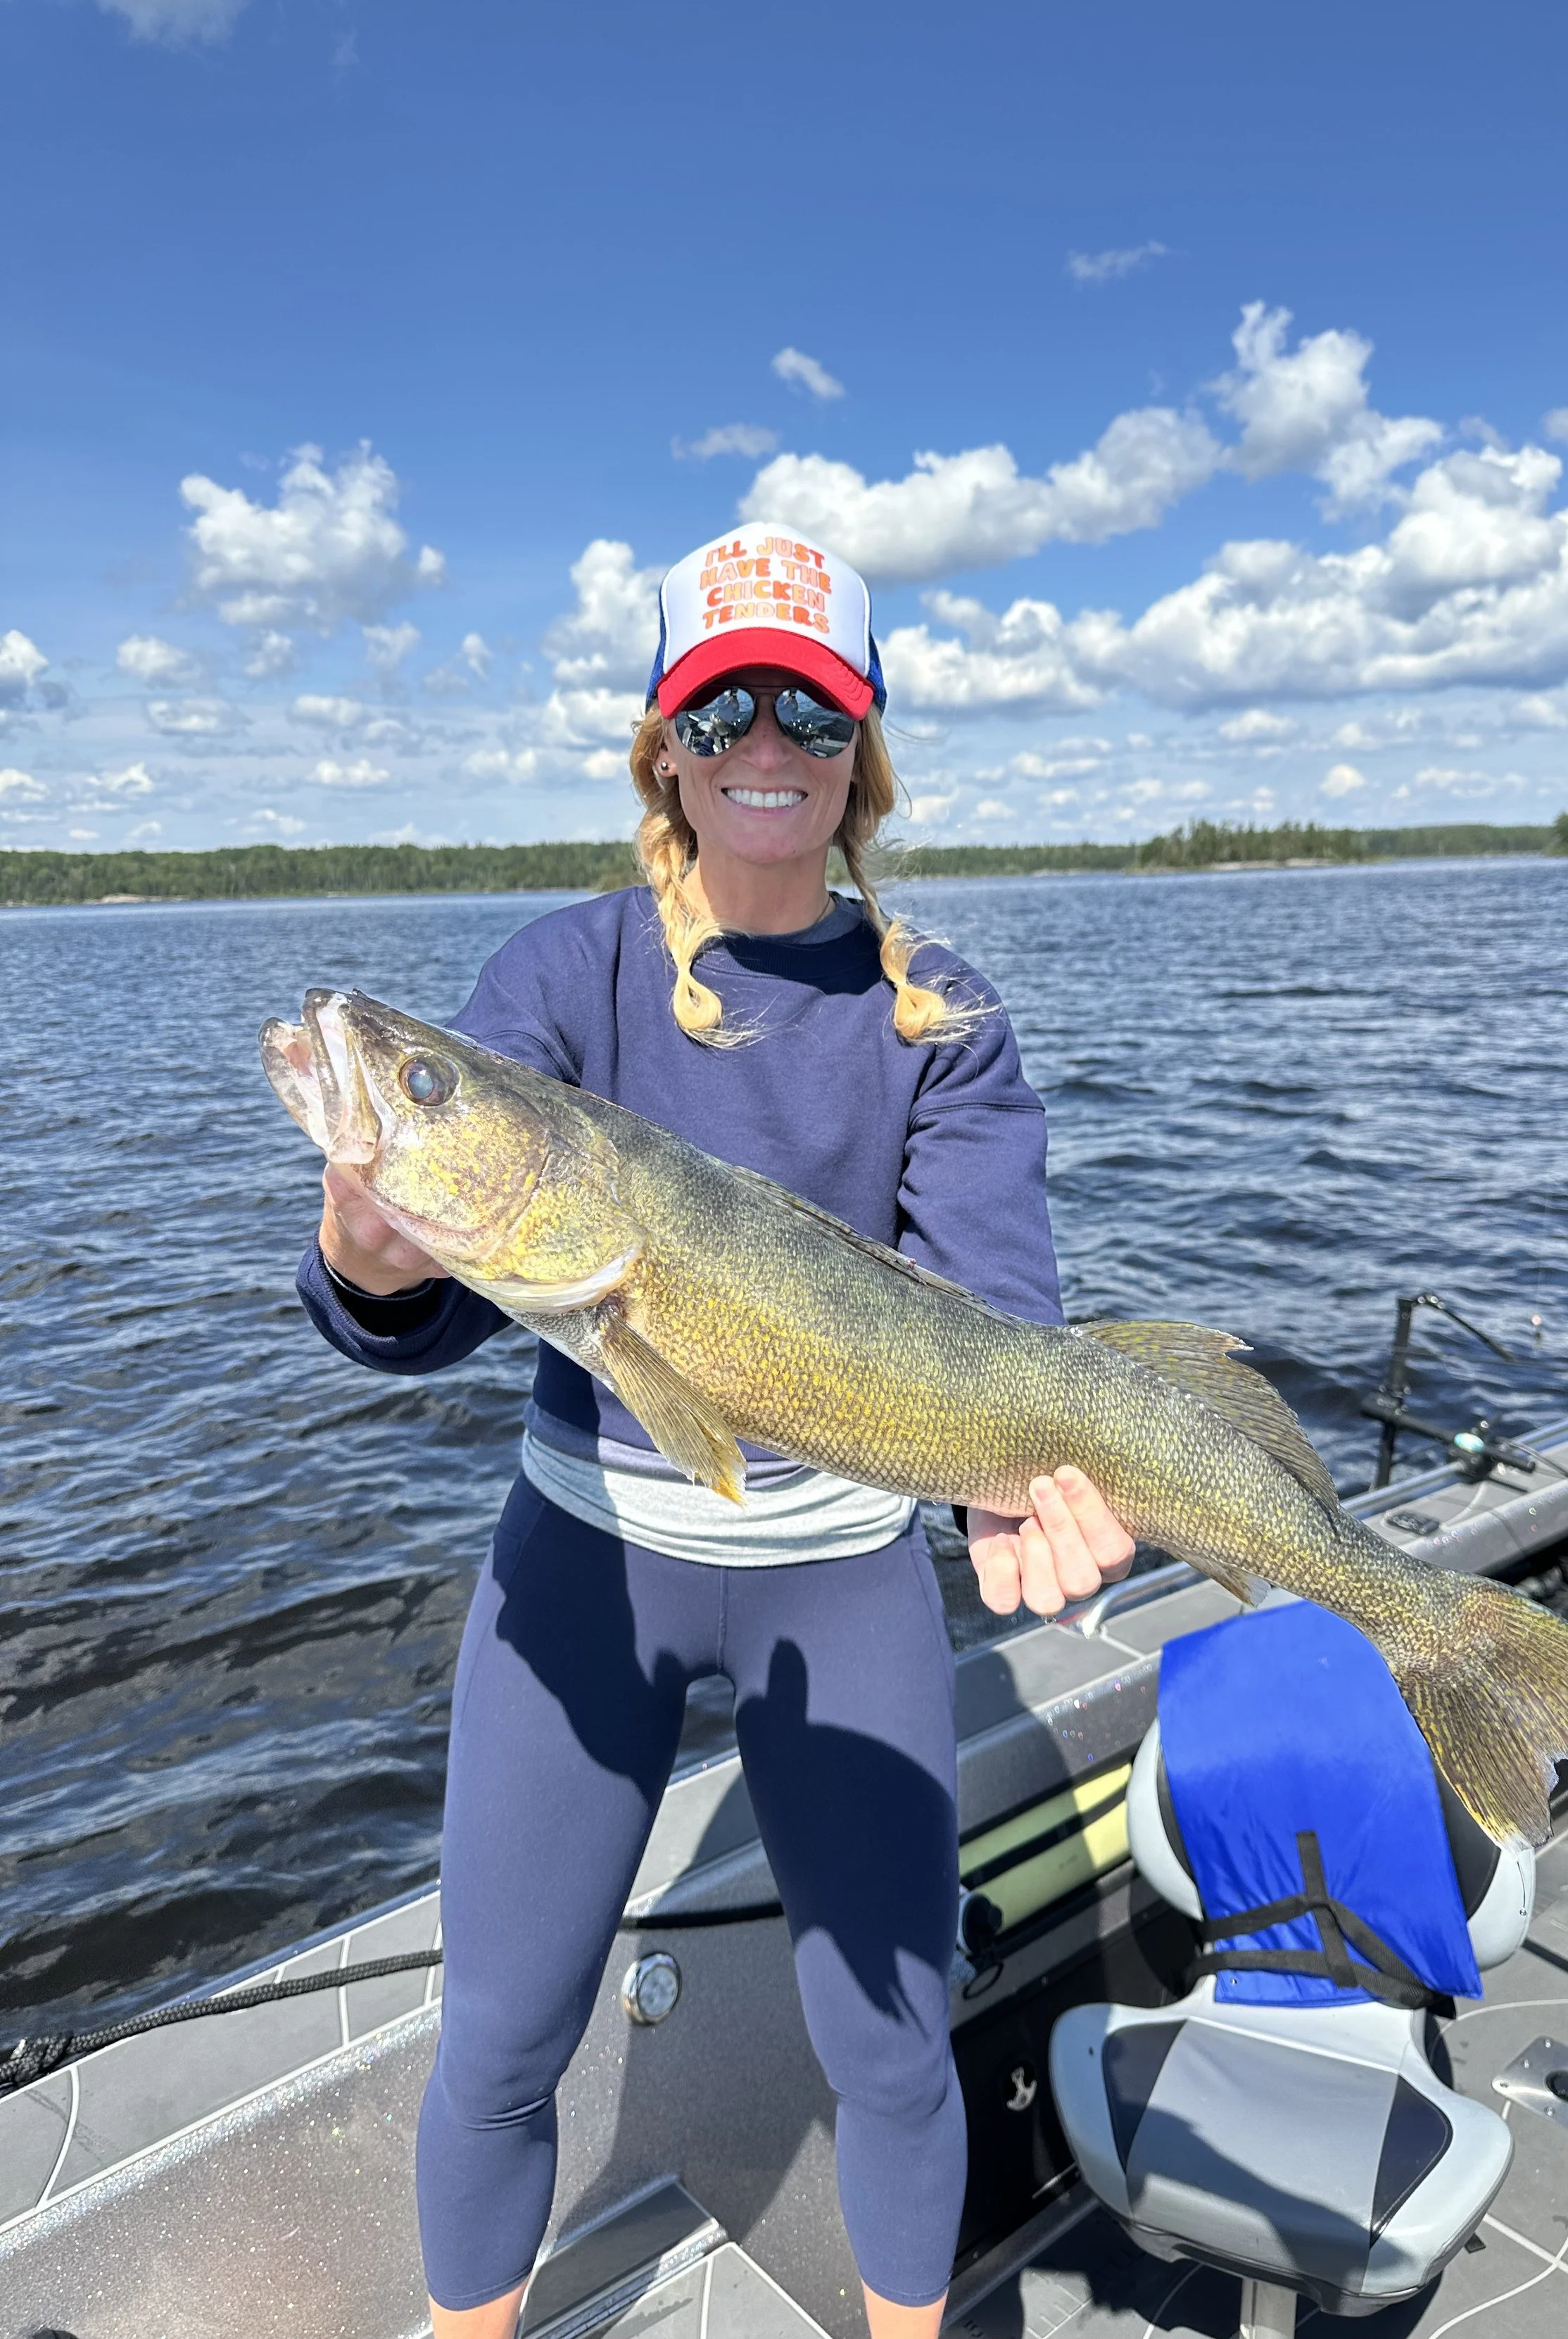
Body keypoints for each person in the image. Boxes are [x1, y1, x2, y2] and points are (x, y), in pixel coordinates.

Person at [298, 527, 1136, 2339]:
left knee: (893, 2046)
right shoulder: (566, 972)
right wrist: (370, 1240)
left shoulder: (942, 1012)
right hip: (583, 1566)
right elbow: (421, 1312)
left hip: (840, 1574)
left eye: (812, 710)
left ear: (862, 753)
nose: (769, 739)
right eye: (723, 699)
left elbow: (1002, 1330)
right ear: (666, 744)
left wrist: (1035, 1500)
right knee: (505, 2032)